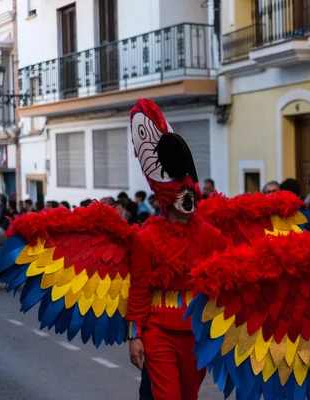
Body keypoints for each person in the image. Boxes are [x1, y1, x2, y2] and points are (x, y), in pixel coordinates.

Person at [127, 98, 226, 400]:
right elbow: (139, 290)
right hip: (158, 331)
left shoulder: (212, 235)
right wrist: (135, 336)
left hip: (196, 334)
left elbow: (224, 283)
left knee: (188, 396)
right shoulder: (147, 238)